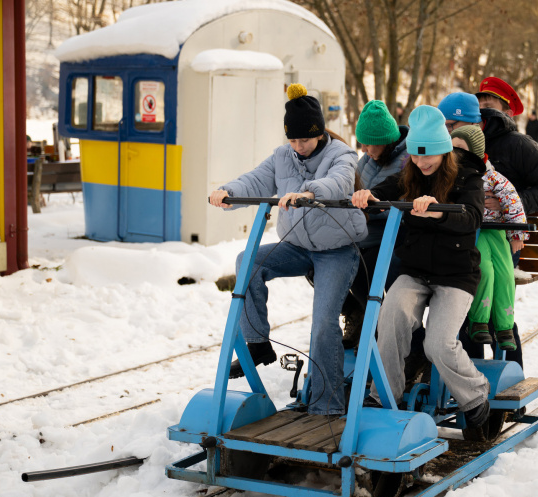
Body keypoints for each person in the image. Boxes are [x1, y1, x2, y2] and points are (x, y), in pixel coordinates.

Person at [209, 83, 367, 416]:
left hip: (337, 250)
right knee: (247, 262)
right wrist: (227, 191)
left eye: (305, 140)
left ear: (320, 133)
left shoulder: (342, 154)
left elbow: (339, 181)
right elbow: (256, 180)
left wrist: (310, 193)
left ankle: (328, 407)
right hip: (297, 246)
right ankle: (258, 344)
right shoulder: (283, 156)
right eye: (292, 140)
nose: (298, 147)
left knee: (323, 324)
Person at [351, 105, 491, 430]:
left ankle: (475, 394)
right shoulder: (411, 174)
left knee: (438, 344)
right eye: (415, 156)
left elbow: (471, 216)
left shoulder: (468, 177)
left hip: (456, 275)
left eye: (428, 156)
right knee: (390, 319)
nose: (421, 162)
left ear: (444, 150)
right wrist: (368, 194)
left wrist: (438, 212)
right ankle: (385, 395)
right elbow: (386, 189)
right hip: (415, 272)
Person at [438, 91, 538, 369]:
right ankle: (466, 375)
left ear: (474, 124)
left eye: (451, 127)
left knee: (490, 285)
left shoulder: (516, 145)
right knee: (456, 303)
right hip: (462, 236)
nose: (447, 133)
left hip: (501, 235)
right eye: (443, 127)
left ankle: (508, 375)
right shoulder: (446, 148)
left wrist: (509, 203)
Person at [450, 126, 526, 350]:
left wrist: (516, 233)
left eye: (460, 149)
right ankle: (479, 322)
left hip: (497, 231)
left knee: (504, 274)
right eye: (452, 149)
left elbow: (513, 202)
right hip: (475, 230)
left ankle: (505, 326)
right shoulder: (452, 175)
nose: (455, 154)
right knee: (484, 269)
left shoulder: (493, 177)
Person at [341, 100, 409, 348]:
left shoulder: (408, 159)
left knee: (362, 269)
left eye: (368, 143)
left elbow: (400, 192)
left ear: (384, 140)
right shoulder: (367, 160)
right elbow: (351, 186)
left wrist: (372, 205)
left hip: (392, 235)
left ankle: (382, 328)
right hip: (364, 232)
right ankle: (359, 314)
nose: (364, 149)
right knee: (318, 261)